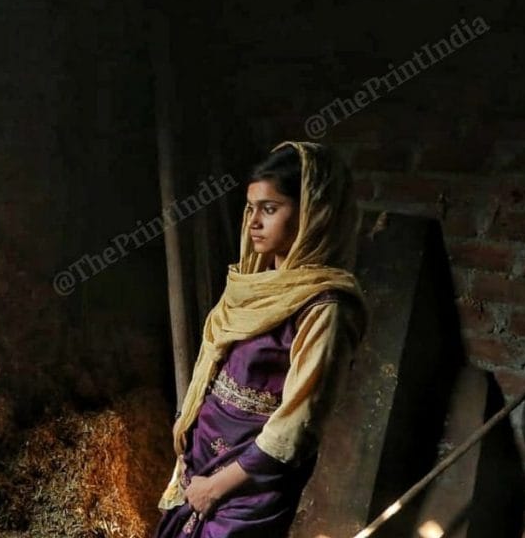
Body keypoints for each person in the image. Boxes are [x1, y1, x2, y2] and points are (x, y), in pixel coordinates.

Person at [153, 141, 368, 537]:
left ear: (311, 215)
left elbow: (297, 426)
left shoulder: (325, 307)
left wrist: (215, 488)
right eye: (250, 208)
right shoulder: (253, 286)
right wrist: (192, 452)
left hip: (249, 480)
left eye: (269, 209)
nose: (253, 221)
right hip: (205, 454)